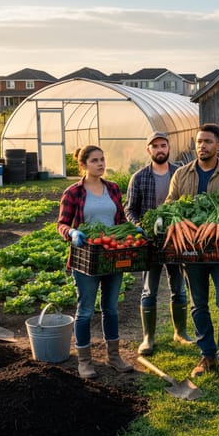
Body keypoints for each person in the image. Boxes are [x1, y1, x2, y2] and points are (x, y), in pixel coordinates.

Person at [167, 123, 219, 386]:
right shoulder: (181, 174)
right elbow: (170, 204)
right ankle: (207, 355)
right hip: (190, 251)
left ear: (218, 145)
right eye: (199, 142)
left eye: (208, 142)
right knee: (198, 305)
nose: (202, 146)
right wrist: (168, 220)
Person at [57, 145, 134, 379]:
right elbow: (61, 223)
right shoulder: (73, 192)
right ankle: (85, 361)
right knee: (86, 310)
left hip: (111, 256)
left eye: (102, 159)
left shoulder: (112, 188)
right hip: (86, 258)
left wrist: (132, 230)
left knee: (110, 308)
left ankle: (114, 357)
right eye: (94, 160)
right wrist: (71, 233)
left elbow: (120, 219)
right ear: (83, 165)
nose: (100, 164)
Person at [125, 131, 193, 356]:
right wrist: (140, 226)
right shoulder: (139, 177)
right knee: (149, 290)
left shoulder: (180, 173)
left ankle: (180, 332)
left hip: (176, 238)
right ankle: (148, 338)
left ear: (169, 148)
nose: (160, 149)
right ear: (149, 150)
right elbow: (130, 209)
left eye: (163, 145)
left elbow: (189, 204)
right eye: (155, 146)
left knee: (178, 287)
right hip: (150, 242)